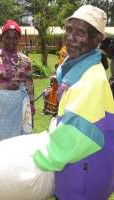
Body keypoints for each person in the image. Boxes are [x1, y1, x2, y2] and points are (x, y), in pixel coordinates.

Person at [32, 5, 114, 200]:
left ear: (97, 40)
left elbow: (74, 136)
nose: (71, 38)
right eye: (69, 30)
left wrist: (34, 159)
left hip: (84, 173)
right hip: (79, 166)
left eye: (80, 33)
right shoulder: (75, 69)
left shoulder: (91, 80)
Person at [0, 19, 34, 142]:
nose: (11, 40)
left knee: (16, 142)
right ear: (2, 38)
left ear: (19, 39)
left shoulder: (26, 60)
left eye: (15, 37)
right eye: (8, 37)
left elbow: (29, 87)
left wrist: (31, 109)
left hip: (18, 109)